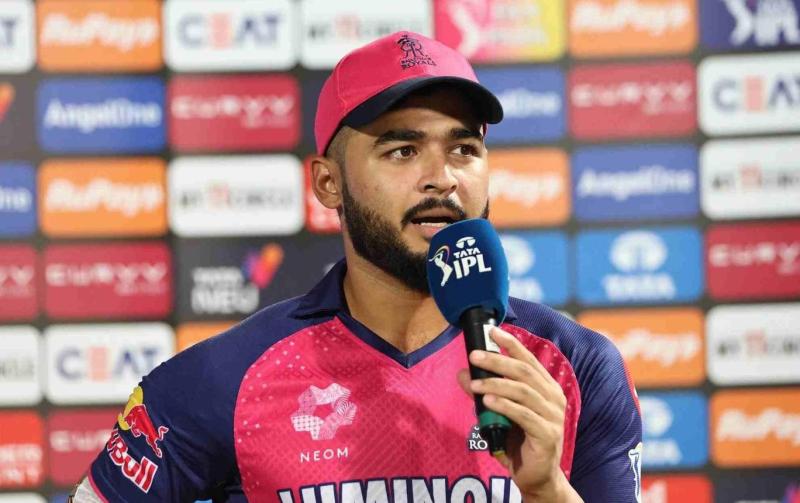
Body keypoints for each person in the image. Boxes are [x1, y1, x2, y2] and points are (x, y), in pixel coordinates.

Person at [71, 31, 642, 503]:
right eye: (402, 151)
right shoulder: (226, 378)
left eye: (463, 149)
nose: (442, 178)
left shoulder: (574, 367)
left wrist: (546, 490)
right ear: (328, 183)